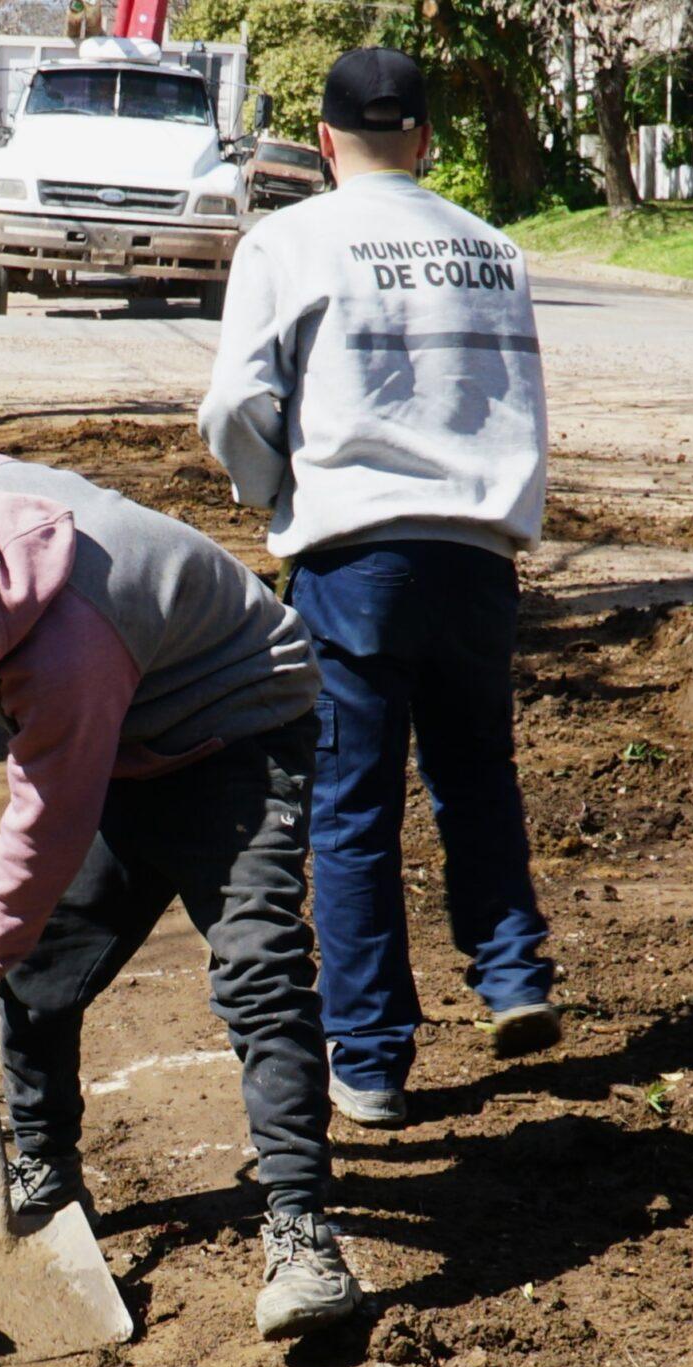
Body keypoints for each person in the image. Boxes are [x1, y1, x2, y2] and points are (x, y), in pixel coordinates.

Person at [0, 456, 360, 1340]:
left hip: (235, 727)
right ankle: (40, 1175)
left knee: (259, 970)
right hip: (125, 731)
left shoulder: (68, 642)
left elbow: (47, 826)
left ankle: (304, 1233)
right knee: (38, 965)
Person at [198, 46, 558, 1131]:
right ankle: (511, 976)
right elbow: (520, 399)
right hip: (477, 553)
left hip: (353, 558)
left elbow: (234, 408)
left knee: (351, 810)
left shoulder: (288, 241)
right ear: (429, 141)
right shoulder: (492, 250)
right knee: (475, 775)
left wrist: (273, 496)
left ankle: (370, 1059)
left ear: (321, 140)